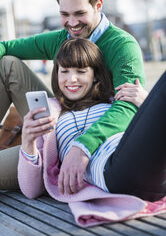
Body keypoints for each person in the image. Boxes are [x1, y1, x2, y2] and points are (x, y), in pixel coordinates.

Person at [0, 0, 146, 190]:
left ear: (98, 6)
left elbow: (128, 107)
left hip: (89, 140)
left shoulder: (122, 46)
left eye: (80, 13)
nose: (72, 23)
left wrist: (83, 146)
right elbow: (5, 47)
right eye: (64, 14)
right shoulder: (62, 38)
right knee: (7, 65)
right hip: (56, 125)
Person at [18, 38, 164, 203]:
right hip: (113, 171)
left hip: (153, 169)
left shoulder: (116, 103)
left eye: (81, 71)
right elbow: (30, 190)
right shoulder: (51, 112)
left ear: (95, 76)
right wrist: (27, 141)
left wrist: (145, 102)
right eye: (64, 71)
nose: (71, 79)